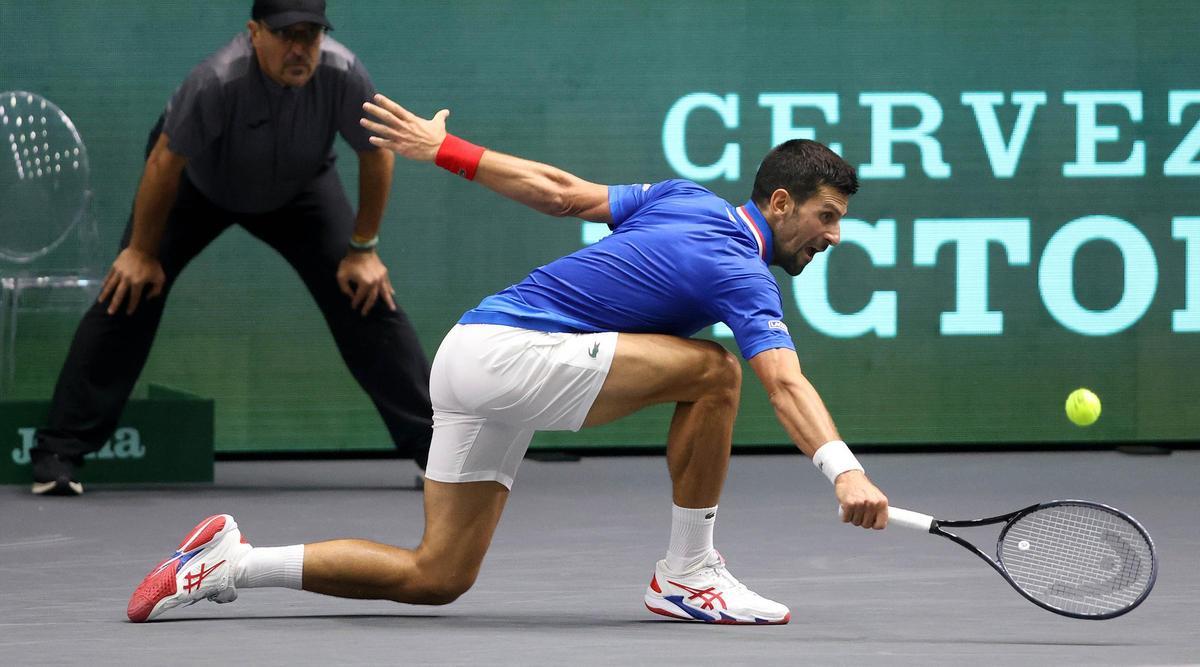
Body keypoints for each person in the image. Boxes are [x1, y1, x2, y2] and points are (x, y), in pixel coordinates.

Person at [125, 94, 890, 625]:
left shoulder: (685, 196)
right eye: (826, 217)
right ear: (781, 205)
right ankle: (689, 574)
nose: (833, 235)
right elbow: (782, 380)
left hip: (469, 354)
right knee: (717, 370)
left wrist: (446, 149)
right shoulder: (744, 271)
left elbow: (559, 191)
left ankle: (227, 563)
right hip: (512, 354)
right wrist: (843, 468)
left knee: (438, 573)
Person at [30, 0, 433, 496]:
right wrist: (140, 250)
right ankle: (58, 453)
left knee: (366, 294)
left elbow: (377, 153)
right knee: (128, 291)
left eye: (311, 35)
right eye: (287, 35)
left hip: (300, 192)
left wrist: (364, 248)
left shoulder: (343, 72)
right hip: (198, 188)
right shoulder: (218, 80)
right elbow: (163, 162)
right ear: (253, 33)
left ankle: (439, 453)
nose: (300, 48)